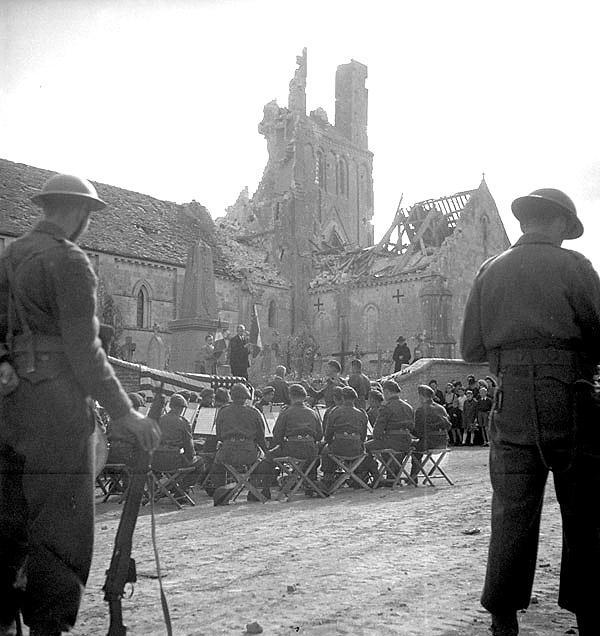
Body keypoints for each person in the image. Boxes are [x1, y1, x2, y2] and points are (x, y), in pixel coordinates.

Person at [0, 173, 161, 636]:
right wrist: (125, 412)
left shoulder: (10, 255)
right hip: (57, 406)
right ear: (78, 213)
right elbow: (85, 350)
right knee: (60, 525)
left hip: (8, 405)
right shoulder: (70, 260)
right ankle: (48, 626)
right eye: (88, 216)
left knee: (7, 518)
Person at [461, 188, 600, 636]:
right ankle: (589, 613)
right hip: (572, 401)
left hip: (511, 404)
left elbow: (470, 349)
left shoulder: (489, 270)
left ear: (525, 223)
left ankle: (503, 618)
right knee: (585, 515)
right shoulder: (576, 268)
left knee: (511, 513)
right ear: (559, 224)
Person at [210, 383, 274, 504]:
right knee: (263, 460)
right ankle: (254, 490)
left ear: (232, 396)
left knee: (217, 464)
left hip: (227, 452)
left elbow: (219, 435)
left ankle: (221, 492)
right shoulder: (254, 412)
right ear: (246, 397)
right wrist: (266, 452)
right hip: (248, 453)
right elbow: (261, 437)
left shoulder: (223, 412)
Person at [271, 384, 323, 494]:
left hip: (292, 448)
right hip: (310, 450)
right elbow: (319, 436)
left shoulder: (286, 412)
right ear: (304, 397)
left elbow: (276, 435)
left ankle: (266, 488)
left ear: (290, 396)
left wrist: (283, 442)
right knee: (311, 455)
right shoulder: (313, 412)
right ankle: (310, 483)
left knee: (268, 456)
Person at [320, 386, 375, 489]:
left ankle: (328, 479)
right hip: (356, 449)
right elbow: (363, 437)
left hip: (338, 448)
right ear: (355, 398)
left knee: (325, 451)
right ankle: (359, 476)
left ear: (343, 398)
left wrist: (329, 442)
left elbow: (328, 434)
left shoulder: (334, 412)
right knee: (363, 449)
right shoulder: (362, 414)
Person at [409, 384, 451, 484]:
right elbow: (448, 425)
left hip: (429, 443)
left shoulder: (421, 410)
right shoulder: (441, 408)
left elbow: (418, 433)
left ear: (421, 396)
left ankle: (412, 478)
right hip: (443, 442)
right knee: (416, 446)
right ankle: (412, 477)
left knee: (412, 448)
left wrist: (409, 429)